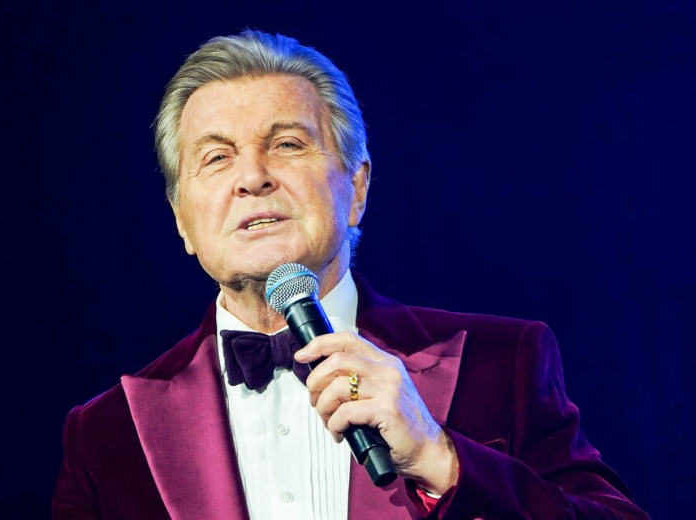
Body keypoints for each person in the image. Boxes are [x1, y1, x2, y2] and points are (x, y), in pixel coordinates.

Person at [53, 30, 650, 519]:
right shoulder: (106, 433)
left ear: (357, 188)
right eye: (217, 157)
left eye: (287, 144)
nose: (253, 176)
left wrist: (441, 458)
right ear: (182, 220)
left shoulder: (504, 362)